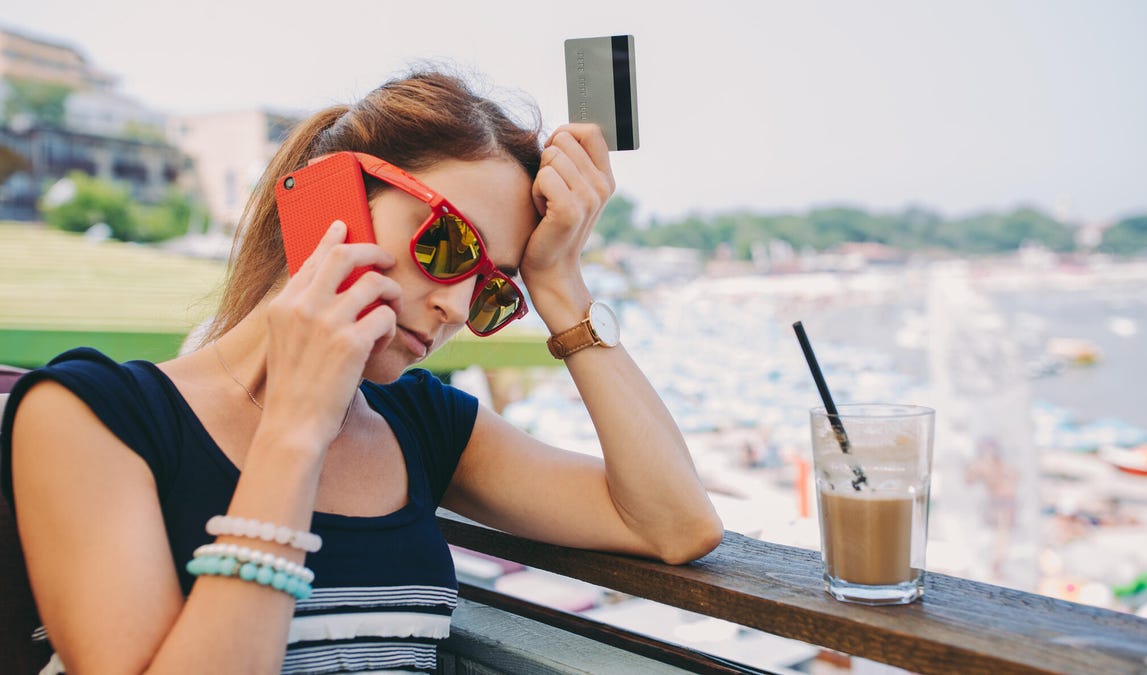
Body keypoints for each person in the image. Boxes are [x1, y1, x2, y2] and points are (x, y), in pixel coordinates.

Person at [0, 69, 723, 674]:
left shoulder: (422, 423)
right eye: (445, 242)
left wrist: (559, 281)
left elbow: (673, 522)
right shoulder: (91, 415)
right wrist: (295, 428)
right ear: (329, 199)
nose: (455, 304)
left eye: (493, 287)